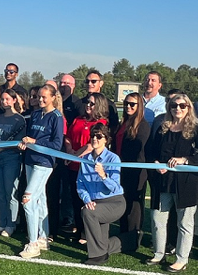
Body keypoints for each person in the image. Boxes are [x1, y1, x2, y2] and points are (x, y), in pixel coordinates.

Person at [145, 93, 198, 271]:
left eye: (182, 106)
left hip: (187, 183)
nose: (178, 109)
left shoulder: (195, 128)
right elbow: (150, 151)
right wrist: (156, 163)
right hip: (163, 181)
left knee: (184, 223)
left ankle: (181, 259)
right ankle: (159, 253)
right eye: (174, 105)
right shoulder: (162, 127)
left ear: (188, 108)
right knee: (158, 219)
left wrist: (185, 159)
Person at [19, 85, 65, 259]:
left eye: (44, 97)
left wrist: (35, 141)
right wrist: (26, 143)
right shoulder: (36, 114)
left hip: (44, 163)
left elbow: (56, 144)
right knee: (40, 199)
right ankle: (43, 237)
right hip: (30, 160)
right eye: (39, 97)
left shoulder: (57, 117)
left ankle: (33, 244)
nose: (41, 100)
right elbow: (30, 137)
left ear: (53, 97)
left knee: (28, 200)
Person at [62, 91, 109, 240]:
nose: (88, 105)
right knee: (75, 199)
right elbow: (68, 137)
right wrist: (69, 151)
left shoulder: (101, 123)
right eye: (87, 102)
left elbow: (91, 146)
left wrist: (75, 156)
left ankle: (87, 234)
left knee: (88, 201)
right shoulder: (78, 119)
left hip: (89, 169)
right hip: (72, 166)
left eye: (92, 103)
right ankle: (78, 229)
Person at [77, 123, 124, 265]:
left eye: (98, 136)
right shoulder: (85, 160)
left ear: (106, 139)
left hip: (114, 202)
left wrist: (104, 176)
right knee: (102, 242)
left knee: (88, 213)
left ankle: (98, 255)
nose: (94, 139)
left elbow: (115, 188)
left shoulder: (113, 159)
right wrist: (87, 200)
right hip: (96, 202)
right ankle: (129, 241)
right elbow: (80, 184)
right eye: (92, 136)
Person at [113, 92, 152, 252]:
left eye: (132, 104)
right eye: (126, 103)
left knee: (134, 205)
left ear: (139, 106)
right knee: (123, 201)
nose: (128, 107)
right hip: (121, 168)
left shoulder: (142, 125)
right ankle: (124, 234)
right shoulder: (124, 123)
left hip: (136, 170)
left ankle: (133, 237)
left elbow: (140, 150)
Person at [0, 88, 27, 237]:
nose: (5, 102)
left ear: (14, 100)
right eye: (3, 99)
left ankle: (11, 224)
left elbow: (20, 142)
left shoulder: (19, 119)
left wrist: (3, 147)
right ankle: (2, 222)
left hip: (11, 158)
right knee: (0, 193)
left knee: (11, 192)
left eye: (8, 99)